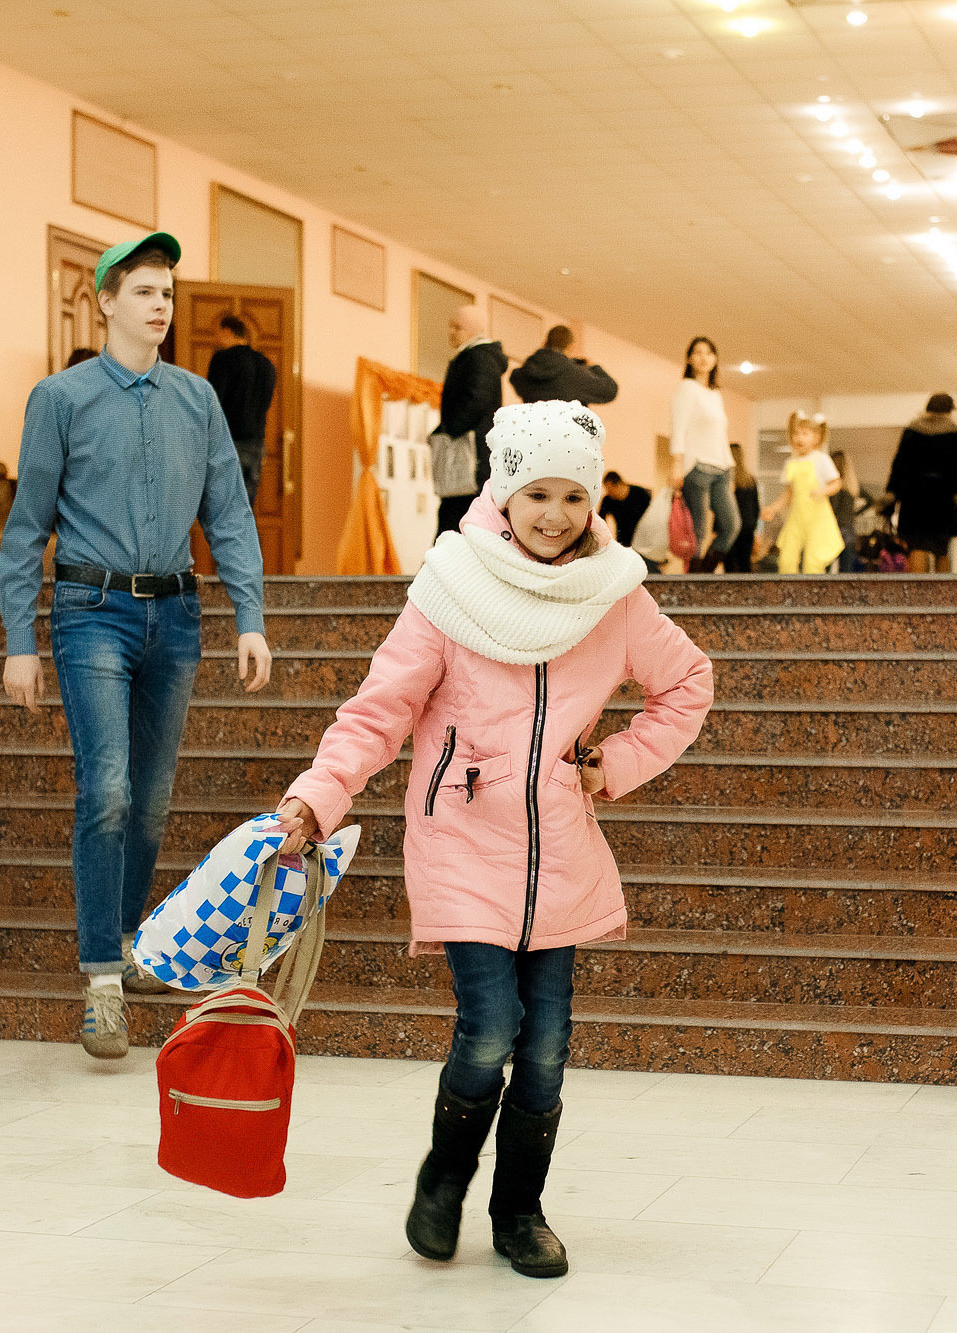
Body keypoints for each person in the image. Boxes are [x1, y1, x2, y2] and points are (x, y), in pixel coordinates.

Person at [272, 400, 713, 1281]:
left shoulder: (614, 594)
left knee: (544, 1053)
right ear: (503, 492)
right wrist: (318, 795)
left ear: (593, 502)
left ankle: (520, 1210)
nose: (554, 514)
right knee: (490, 1030)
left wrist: (612, 764)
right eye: (536, 493)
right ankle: (444, 1177)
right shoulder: (450, 587)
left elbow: (688, 682)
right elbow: (379, 712)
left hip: (561, 853)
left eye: (572, 496)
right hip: (463, 841)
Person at [0, 231, 272, 1059]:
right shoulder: (60, 398)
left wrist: (248, 614)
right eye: (145, 291)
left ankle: (117, 948)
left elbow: (228, 512)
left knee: (150, 800)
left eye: (168, 293)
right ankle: (103, 981)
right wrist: (21, 640)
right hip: (91, 611)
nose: (161, 305)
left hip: (176, 617)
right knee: (107, 788)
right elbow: (24, 529)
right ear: (107, 300)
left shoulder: (198, 399)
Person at [882, 394, 957, 573]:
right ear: (949, 410)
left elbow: (899, 466)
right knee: (942, 550)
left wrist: (891, 497)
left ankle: (919, 596)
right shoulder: (955, 434)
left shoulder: (912, 432)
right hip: (944, 500)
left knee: (917, 547)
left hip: (914, 498)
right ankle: (944, 595)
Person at [436, 304, 508, 538]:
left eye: (457, 327)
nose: (451, 332)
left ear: (475, 330)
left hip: (472, 456)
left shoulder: (479, 357)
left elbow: (478, 400)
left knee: (459, 519)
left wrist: (449, 430)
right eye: (450, 326)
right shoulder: (474, 357)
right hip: (470, 455)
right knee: (454, 517)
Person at [670, 336, 741, 572]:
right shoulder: (687, 388)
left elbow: (720, 434)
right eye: (698, 353)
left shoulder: (714, 393)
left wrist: (730, 468)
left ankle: (702, 576)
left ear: (715, 359)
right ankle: (694, 583)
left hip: (722, 468)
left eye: (709, 353)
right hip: (697, 467)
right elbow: (678, 427)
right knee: (698, 533)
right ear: (690, 359)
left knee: (731, 526)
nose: (703, 358)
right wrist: (676, 464)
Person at [205, 313, 277, 507]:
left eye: (217, 333)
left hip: (229, 442)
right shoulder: (266, 364)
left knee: (222, 509)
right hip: (256, 444)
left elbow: (213, 402)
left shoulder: (222, 359)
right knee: (245, 508)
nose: (215, 339)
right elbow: (266, 403)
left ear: (227, 331)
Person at [762, 411, 844, 575]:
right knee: (786, 558)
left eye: (805, 434)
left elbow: (837, 483)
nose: (799, 438)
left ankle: (813, 595)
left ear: (816, 438)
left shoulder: (821, 459)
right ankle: (788, 593)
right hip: (797, 517)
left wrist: (823, 490)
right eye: (796, 434)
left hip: (818, 517)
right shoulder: (790, 463)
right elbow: (788, 495)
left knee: (812, 562)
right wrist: (773, 508)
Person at [510, 325, 618, 405]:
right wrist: (593, 367)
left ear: (545, 342)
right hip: (565, 433)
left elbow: (514, 377)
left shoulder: (524, 372)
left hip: (532, 430)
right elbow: (610, 390)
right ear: (570, 346)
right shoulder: (573, 373)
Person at [723, 442, 761, 573]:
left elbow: (723, 509)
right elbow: (756, 507)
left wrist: (715, 529)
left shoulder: (727, 482)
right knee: (745, 563)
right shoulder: (750, 480)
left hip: (730, 527)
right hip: (748, 527)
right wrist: (754, 527)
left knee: (729, 565)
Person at [597, 471, 652, 549]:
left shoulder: (640, 493)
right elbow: (600, 521)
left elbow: (652, 516)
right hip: (623, 542)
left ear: (618, 485)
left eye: (610, 490)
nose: (608, 493)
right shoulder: (608, 500)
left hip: (643, 540)